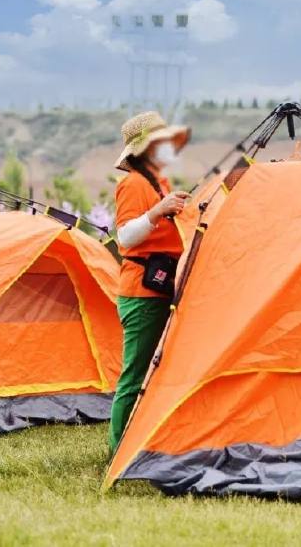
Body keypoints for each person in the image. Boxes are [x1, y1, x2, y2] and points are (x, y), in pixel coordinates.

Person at [108, 110, 191, 453]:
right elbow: (125, 236)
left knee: (153, 371)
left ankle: (145, 442)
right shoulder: (133, 184)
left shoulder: (159, 182)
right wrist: (158, 212)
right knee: (136, 374)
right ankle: (119, 451)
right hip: (141, 292)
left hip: (159, 286)